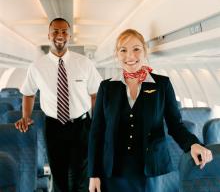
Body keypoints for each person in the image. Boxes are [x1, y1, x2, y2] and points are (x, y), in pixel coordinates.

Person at [88, 29, 213, 192]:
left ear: (145, 51)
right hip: (113, 172)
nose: (130, 56)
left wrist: (193, 144)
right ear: (116, 54)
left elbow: (175, 125)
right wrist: (93, 174)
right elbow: (96, 133)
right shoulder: (107, 87)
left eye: (136, 49)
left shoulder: (162, 85)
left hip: (150, 170)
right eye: (123, 50)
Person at [15, 18, 102, 192]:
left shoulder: (84, 63)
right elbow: (29, 92)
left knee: (80, 178)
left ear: (69, 36)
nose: (60, 35)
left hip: (81, 125)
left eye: (64, 32)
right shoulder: (37, 66)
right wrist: (26, 117)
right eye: (55, 31)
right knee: (59, 178)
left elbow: (95, 94)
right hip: (54, 126)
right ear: (48, 35)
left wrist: (96, 122)